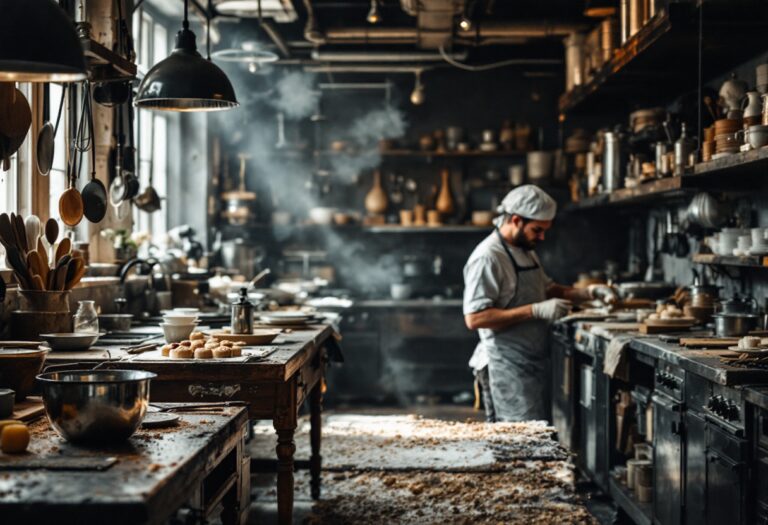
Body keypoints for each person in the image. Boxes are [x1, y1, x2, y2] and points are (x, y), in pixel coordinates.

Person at [463, 185, 616, 422]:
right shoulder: (488, 257)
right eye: (537, 230)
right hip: (506, 364)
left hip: (533, 359)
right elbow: (475, 318)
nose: (542, 237)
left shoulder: (525, 250)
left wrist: (587, 293)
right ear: (516, 220)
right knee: (517, 442)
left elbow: (546, 288)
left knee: (536, 434)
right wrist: (535, 310)